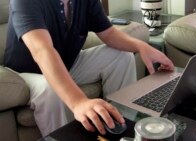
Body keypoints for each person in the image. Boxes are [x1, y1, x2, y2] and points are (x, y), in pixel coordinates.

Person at [4, 0, 174, 136]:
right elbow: (42, 51)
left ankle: (123, 126)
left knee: (121, 56)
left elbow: (109, 34)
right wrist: (79, 102)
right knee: (50, 89)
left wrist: (142, 47)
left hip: (68, 64)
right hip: (23, 75)